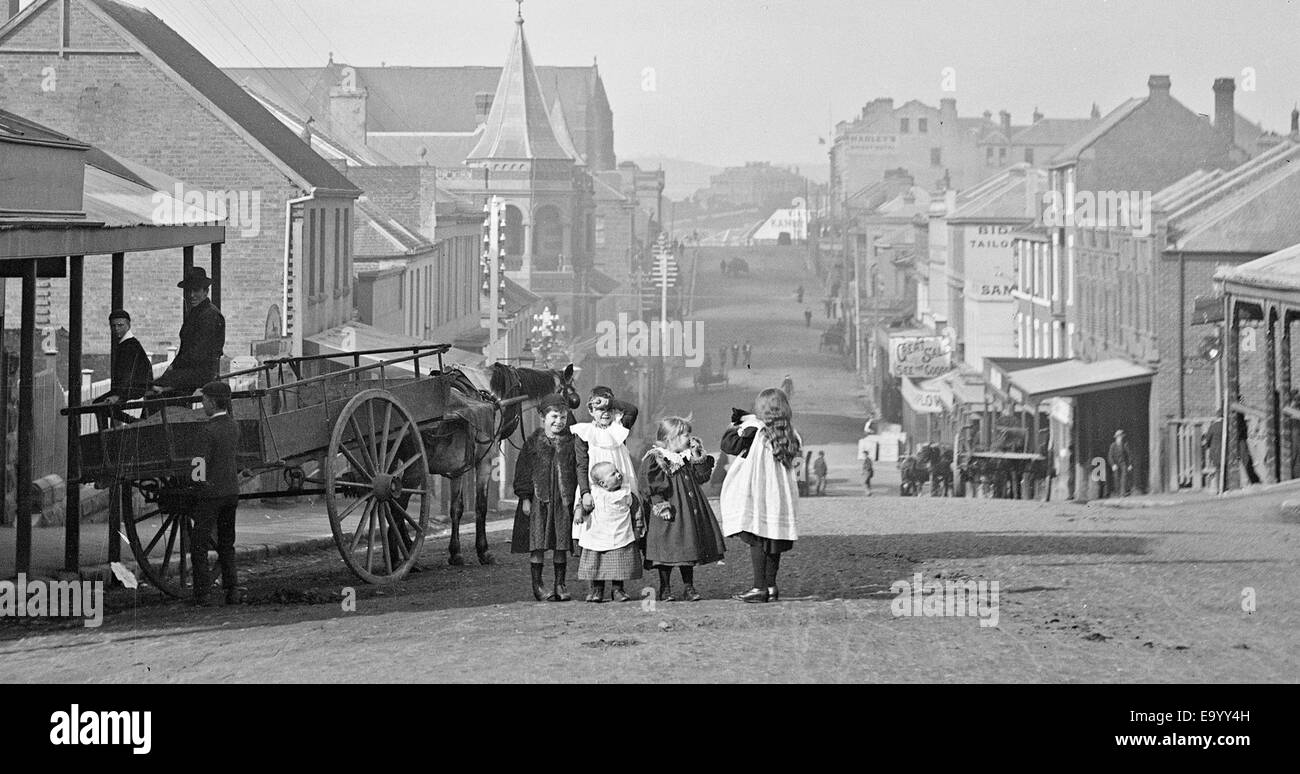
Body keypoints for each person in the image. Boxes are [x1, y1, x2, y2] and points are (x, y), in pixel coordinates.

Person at [720, 388, 802, 603]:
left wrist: (735, 424)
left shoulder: (754, 431)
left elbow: (728, 445)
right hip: (780, 497)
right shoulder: (791, 434)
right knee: (774, 539)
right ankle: (771, 586)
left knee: (757, 539)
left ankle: (758, 587)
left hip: (758, 493)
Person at [639, 417, 725, 602]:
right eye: (686, 434)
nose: (690, 438)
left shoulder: (686, 457)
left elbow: (702, 477)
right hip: (669, 510)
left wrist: (696, 455)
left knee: (688, 545)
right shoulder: (657, 458)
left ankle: (689, 587)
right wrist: (660, 504)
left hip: (687, 509)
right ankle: (665, 588)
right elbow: (649, 484)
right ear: (672, 437)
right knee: (666, 548)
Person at [513, 394, 588, 601]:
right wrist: (525, 497)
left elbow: (578, 469)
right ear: (542, 417)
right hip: (539, 501)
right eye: (554, 417)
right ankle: (538, 586)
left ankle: (560, 584)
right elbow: (522, 471)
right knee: (537, 544)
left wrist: (578, 501)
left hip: (562, 502)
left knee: (560, 544)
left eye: (563, 417)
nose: (558, 421)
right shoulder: (533, 443)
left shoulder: (571, 443)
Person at [570, 386, 639, 575]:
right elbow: (581, 465)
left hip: (620, 481)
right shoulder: (584, 433)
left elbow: (632, 410)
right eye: (599, 409)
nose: (605, 413)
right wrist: (585, 493)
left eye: (609, 409)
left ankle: (619, 583)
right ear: (591, 411)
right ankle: (596, 584)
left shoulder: (619, 428)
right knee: (596, 530)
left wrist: (609, 402)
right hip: (595, 488)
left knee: (622, 528)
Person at [189, 381, 242, 606]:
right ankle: (233, 591)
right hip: (231, 493)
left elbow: (200, 465)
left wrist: (195, 485)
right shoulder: (233, 426)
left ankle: (203, 594)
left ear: (211, 402)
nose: (202, 405)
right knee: (226, 543)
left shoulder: (207, 431)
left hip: (211, 495)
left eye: (203, 401)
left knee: (198, 544)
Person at [149, 266, 225, 400]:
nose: (191, 295)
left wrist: (174, 368)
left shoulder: (210, 315)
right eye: (189, 291)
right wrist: (172, 367)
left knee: (156, 391)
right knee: (153, 388)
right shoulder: (195, 313)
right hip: (188, 371)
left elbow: (198, 353)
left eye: (196, 290)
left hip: (201, 373)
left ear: (206, 291)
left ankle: (157, 419)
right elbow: (185, 349)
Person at [577, 462, 644, 602]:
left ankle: (617, 589)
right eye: (613, 474)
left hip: (619, 534)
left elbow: (636, 511)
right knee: (597, 564)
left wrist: (638, 527)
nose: (619, 475)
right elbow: (582, 505)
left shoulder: (626, 494)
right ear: (603, 483)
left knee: (618, 564)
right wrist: (579, 513)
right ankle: (597, 590)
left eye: (617, 471)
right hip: (597, 536)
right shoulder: (594, 494)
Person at [92, 309, 152, 424]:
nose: (116, 329)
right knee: (98, 404)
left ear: (128, 325)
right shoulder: (125, 343)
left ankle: (132, 422)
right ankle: (130, 423)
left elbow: (128, 373)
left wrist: (118, 395)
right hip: (131, 387)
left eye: (120, 325)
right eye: (113, 326)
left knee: (99, 405)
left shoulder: (130, 345)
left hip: (135, 388)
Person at [1107, 429, 1133, 497]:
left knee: (1124, 478)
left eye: (1121, 436)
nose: (1120, 438)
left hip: (1123, 463)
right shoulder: (1113, 445)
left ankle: (1122, 493)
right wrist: (1113, 465)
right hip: (1116, 464)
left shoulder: (1125, 444)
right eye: (1119, 436)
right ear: (1116, 437)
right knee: (1116, 478)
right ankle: (1118, 493)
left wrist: (1129, 464)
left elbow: (1129, 455)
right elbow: (1110, 456)